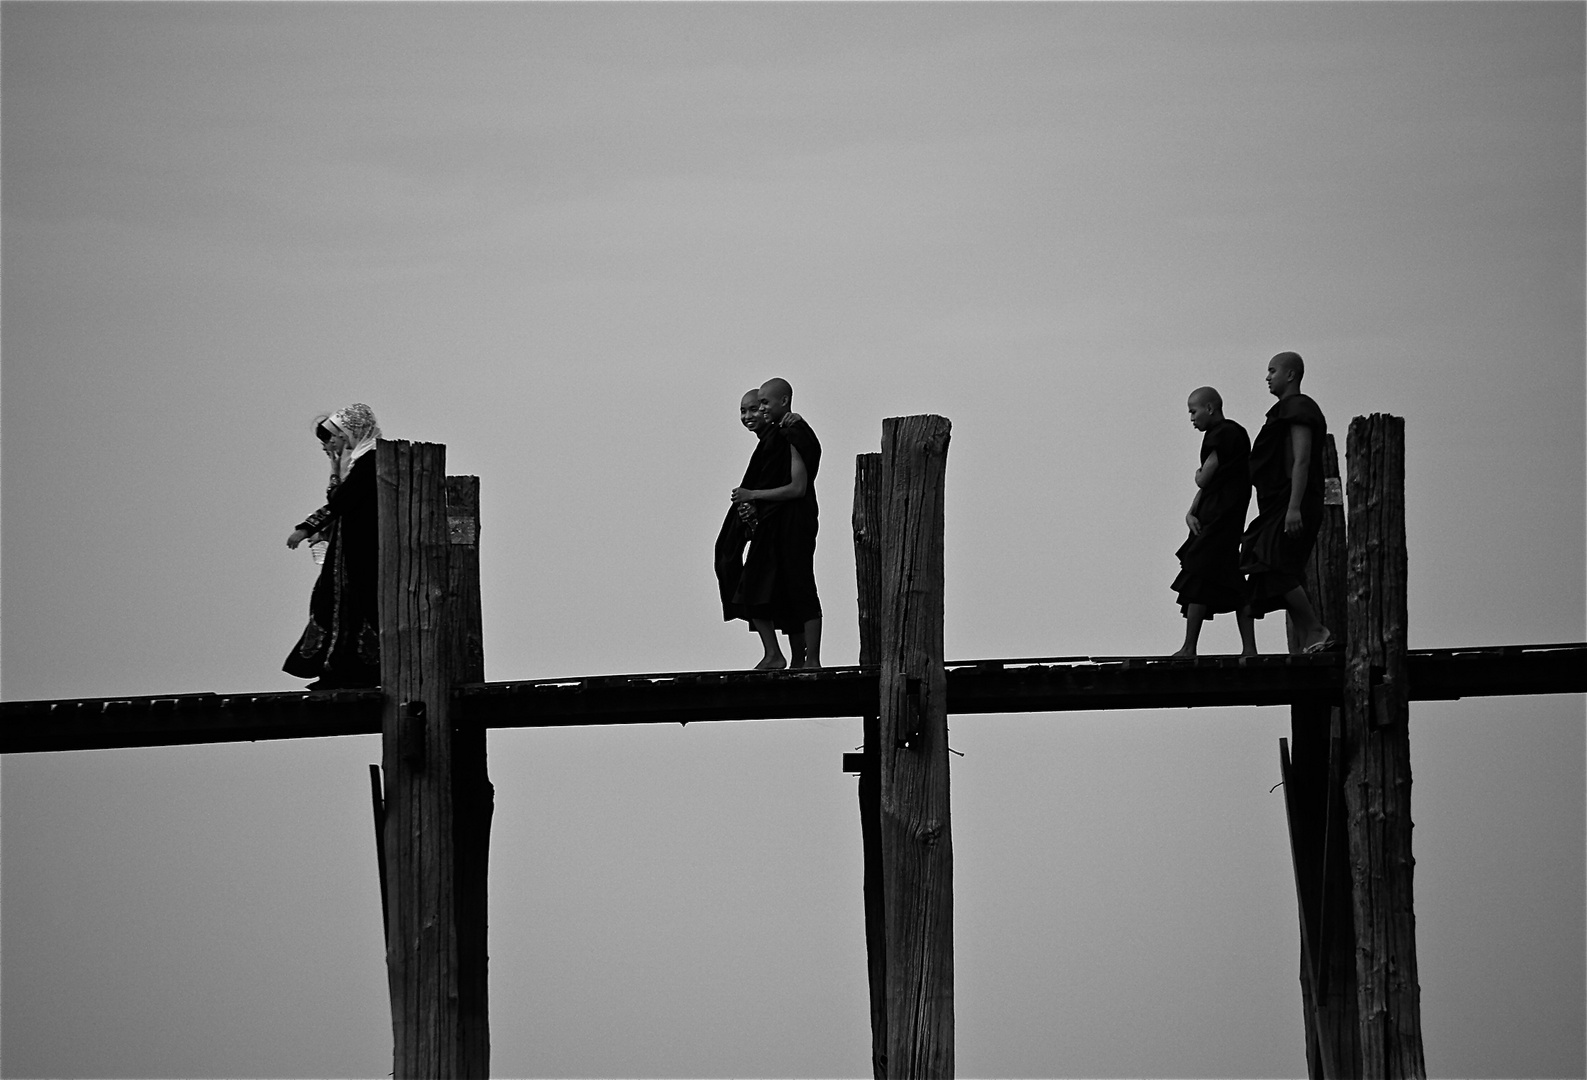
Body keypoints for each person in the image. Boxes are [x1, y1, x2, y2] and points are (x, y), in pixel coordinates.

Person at [725, 378, 823, 669]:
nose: (759, 409)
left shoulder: (793, 434)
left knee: (800, 586)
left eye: (763, 403)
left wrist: (752, 494)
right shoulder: (779, 435)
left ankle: (811, 661)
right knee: (765, 586)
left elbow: (797, 488)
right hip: (774, 522)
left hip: (795, 522)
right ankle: (779, 656)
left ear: (783, 401)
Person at [1239, 352, 1333, 653]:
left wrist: (1293, 508)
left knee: (1273, 561)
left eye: (1272, 371)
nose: (1267, 377)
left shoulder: (1298, 408)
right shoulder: (1282, 410)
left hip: (1296, 502)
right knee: (1280, 565)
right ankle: (1309, 636)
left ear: (1290, 375)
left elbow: (1302, 460)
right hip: (1278, 503)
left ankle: (1316, 628)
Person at [284, 404, 382, 689]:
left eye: (334, 436)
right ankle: (336, 669)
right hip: (347, 548)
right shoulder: (358, 461)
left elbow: (342, 502)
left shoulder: (371, 460)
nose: (331, 444)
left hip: (361, 550)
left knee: (357, 605)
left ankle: (354, 672)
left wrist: (306, 528)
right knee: (333, 602)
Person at [1170, 387, 1256, 657]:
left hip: (1220, 517)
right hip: (1219, 514)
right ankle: (1249, 649)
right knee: (1231, 579)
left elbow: (1204, 479)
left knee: (1198, 573)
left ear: (1210, 408)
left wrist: (1198, 474)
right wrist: (1190, 512)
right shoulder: (1229, 433)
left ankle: (1189, 647)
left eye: (1193, 411)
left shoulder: (1225, 433)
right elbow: (1209, 485)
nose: (1191, 418)